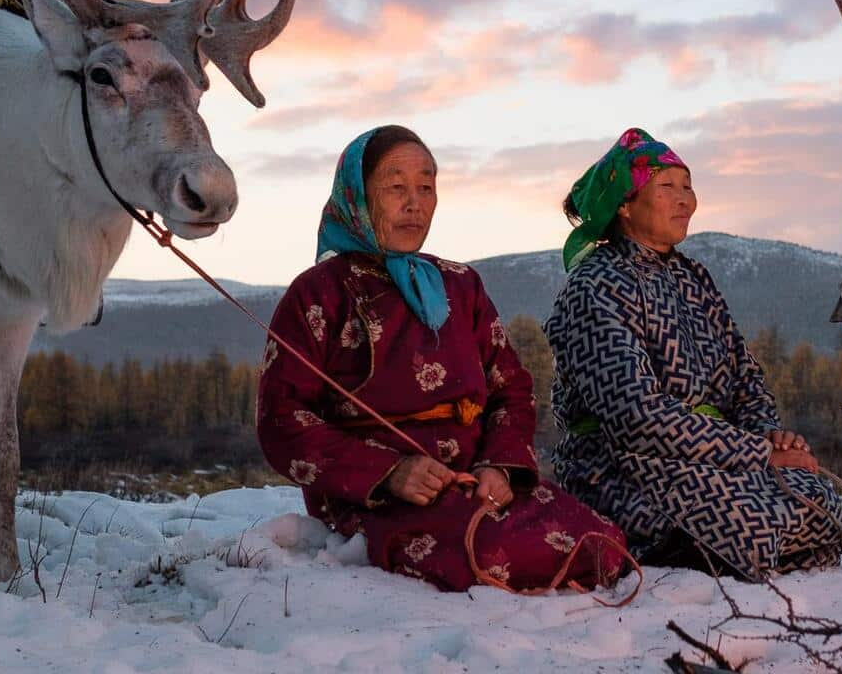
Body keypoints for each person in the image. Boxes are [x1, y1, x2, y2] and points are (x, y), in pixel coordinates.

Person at [256, 125, 627, 592]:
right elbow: (281, 421)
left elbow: (510, 388)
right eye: (395, 187)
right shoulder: (317, 294)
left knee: (602, 541)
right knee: (496, 554)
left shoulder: (460, 285)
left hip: (475, 478)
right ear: (356, 196)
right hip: (376, 495)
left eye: (426, 187)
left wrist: (498, 466)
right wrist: (389, 473)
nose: (415, 203)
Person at [544, 128, 842, 579]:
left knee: (818, 502)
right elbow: (637, 418)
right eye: (667, 187)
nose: (685, 199)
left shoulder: (694, 279)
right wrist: (756, 453)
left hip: (712, 455)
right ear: (625, 205)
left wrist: (769, 435)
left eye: (688, 186)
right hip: (622, 463)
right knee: (754, 523)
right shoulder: (595, 287)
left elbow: (745, 377)